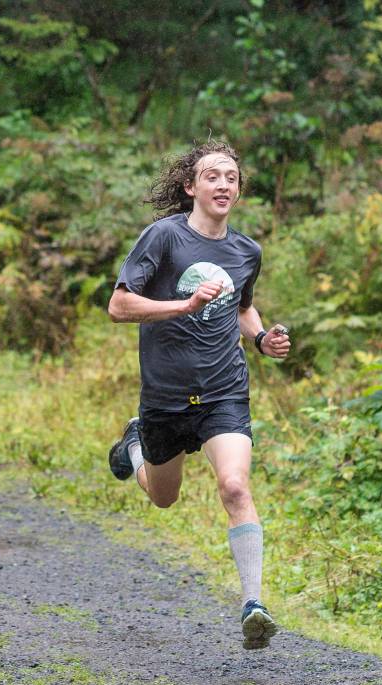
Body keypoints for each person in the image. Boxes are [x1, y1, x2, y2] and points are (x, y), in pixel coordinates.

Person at [106, 141, 291, 650]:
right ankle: (135, 445)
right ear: (191, 187)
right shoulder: (164, 237)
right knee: (163, 497)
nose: (224, 184)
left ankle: (253, 605)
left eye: (231, 177)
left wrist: (261, 339)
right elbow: (119, 306)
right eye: (213, 176)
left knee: (234, 486)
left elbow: (241, 308)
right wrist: (182, 306)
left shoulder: (247, 252)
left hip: (223, 391)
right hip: (165, 396)